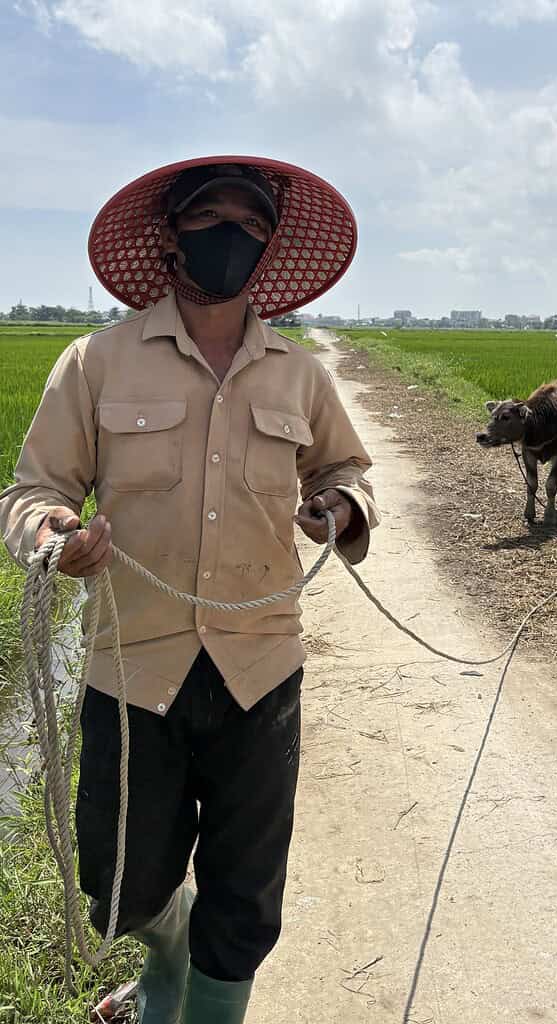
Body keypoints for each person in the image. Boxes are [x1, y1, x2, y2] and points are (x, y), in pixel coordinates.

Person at [0, 156, 379, 1024]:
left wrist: (340, 508)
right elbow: (31, 491)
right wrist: (56, 538)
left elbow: (349, 467)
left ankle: (201, 1008)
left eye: (250, 226)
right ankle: (160, 961)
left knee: (244, 897)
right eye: (213, 218)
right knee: (119, 881)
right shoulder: (94, 361)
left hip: (261, 668)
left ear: (267, 247)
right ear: (174, 236)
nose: (230, 238)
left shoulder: (299, 373)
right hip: (133, 669)